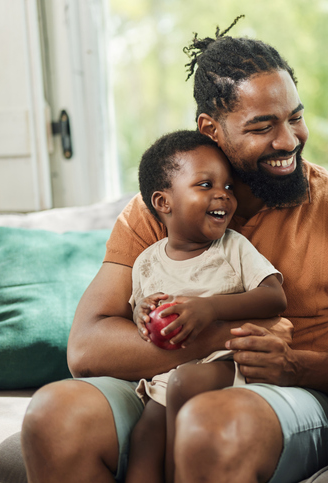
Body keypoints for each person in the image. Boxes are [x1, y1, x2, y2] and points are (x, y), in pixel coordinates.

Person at [21, 18, 328, 483]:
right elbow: (87, 347)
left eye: (295, 117)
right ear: (211, 129)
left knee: (215, 424)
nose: (288, 141)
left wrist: (293, 364)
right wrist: (225, 334)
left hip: (300, 393)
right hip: (165, 386)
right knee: (54, 414)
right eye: (263, 126)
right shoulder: (158, 210)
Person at [123, 130, 288, 482]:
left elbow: (275, 297)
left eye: (228, 187)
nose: (223, 196)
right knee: (144, 438)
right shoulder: (146, 263)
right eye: (205, 185)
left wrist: (210, 308)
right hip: (167, 376)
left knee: (186, 383)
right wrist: (140, 313)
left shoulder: (232, 248)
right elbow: (138, 308)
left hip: (226, 365)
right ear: (163, 203)